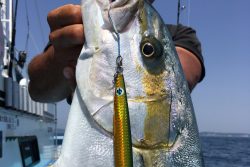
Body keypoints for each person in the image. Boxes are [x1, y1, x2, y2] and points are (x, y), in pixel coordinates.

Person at [28, 4, 205, 104]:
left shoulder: (180, 36)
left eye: (148, 50)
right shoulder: (77, 30)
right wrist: (60, 57)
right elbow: (37, 91)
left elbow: (177, 81)